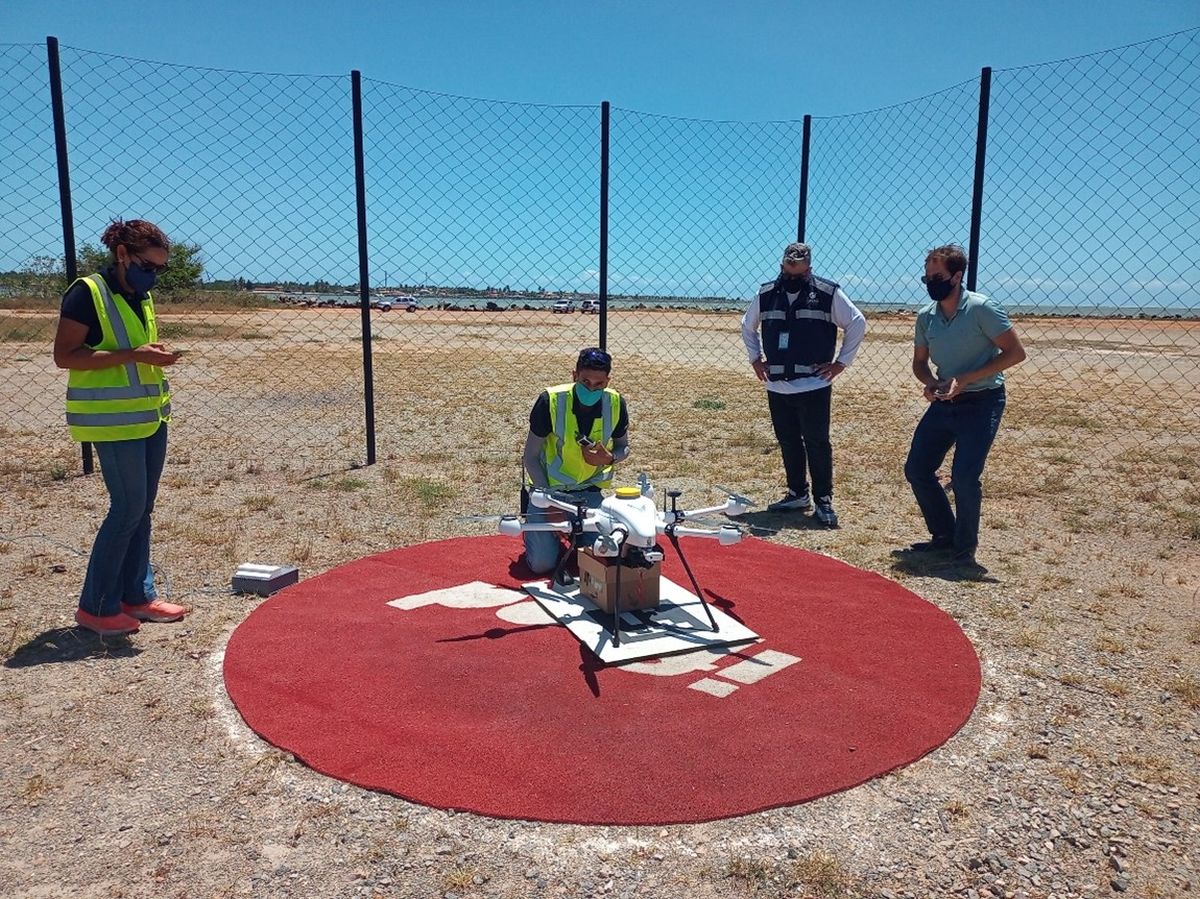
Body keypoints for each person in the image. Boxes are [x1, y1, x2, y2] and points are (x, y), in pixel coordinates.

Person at [53, 219, 189, 636]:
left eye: (161, 269)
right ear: (123, 255)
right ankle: (96, 607)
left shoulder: (139, 296)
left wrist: (149, 356)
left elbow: (135, 352)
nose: (154, 275)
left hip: (149, 417)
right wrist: (133, 354)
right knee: (127, 508)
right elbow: (66, 355)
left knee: (142, 509)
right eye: (149, 265)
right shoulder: (87, 293)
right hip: (112, 422)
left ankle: (136, 596)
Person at [902, 244, 1026, 568]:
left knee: (965, 477)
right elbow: (919, 362)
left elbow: (1015, 353)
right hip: (945, 401)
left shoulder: (982, 308)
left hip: (982, 400)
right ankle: (944, 536)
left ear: (957, 276)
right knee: (917, 469)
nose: (931, 282)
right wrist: (930, 382)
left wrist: (967, 379)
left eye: (938, 276)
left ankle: (963, 551)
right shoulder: (926, 317)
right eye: (927, 277)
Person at [741, 241, 866, 527]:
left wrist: (840, 363)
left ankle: (823, 499)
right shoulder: (767, 293)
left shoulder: (826, 293)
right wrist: (755, 359)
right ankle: (797, 492)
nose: (791, 274)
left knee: (817, 443)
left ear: (809, 268)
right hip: (777, 385)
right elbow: (748, 326)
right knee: (788, 441)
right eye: (788, 267)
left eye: (798, 269)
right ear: (782, 265)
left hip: (813, 385)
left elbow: (857, 322)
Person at [520, 347, 630, 574]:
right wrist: (547, 501)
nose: (591, 388)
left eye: (598, 384)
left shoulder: (616, 403)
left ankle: (574, 534)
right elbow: (530, 457)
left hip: (589, 493)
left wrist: (611, 458)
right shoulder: (550, 401)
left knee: (607, 553)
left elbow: (624, 447)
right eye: (585, 381)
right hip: (550, 490)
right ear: (574, 376)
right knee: (543, 565)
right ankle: (534, 527)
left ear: (607, 382)